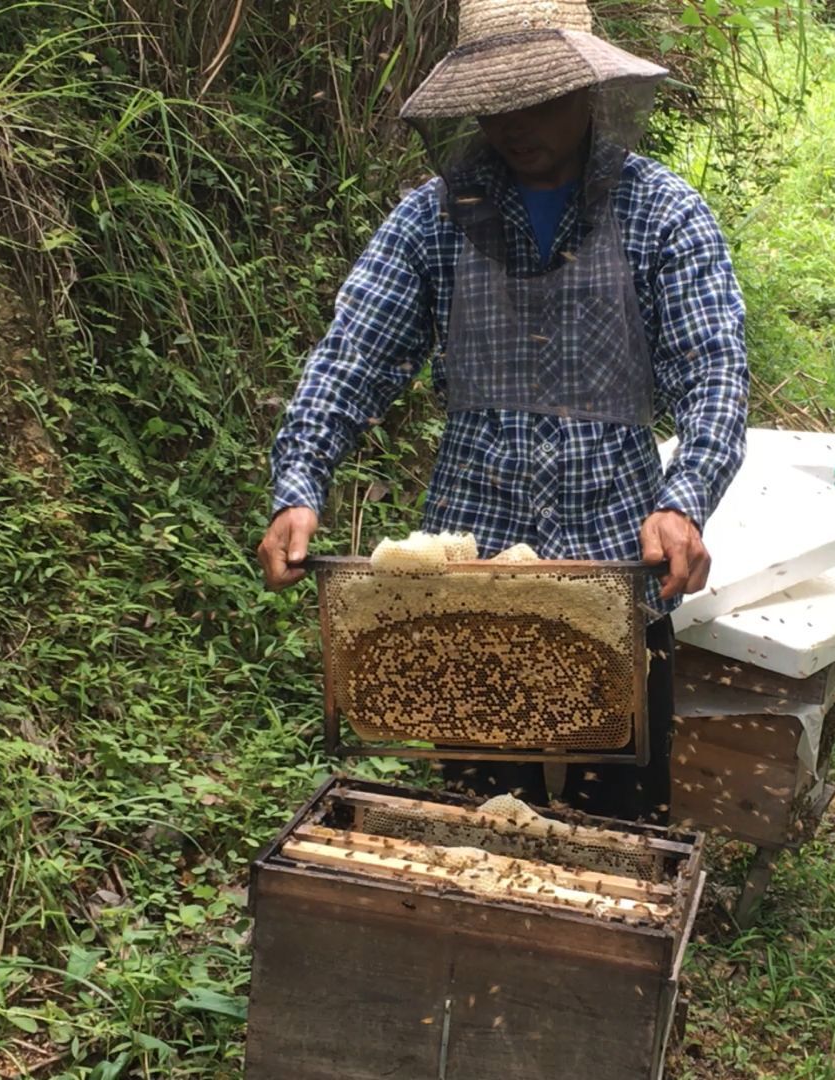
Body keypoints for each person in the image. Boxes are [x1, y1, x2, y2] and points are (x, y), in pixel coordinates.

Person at [257, 0, 748, 822]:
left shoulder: (662, 213)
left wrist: (684, 499)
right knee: (483, 817)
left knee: (622, 817)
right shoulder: (431, 219)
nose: (513, 123)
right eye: (496, 101)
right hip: (468, 570)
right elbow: (352, 360)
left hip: (615, 564)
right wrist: (299, 485)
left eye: (538, 98)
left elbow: (714, 374)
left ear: (590, 88)